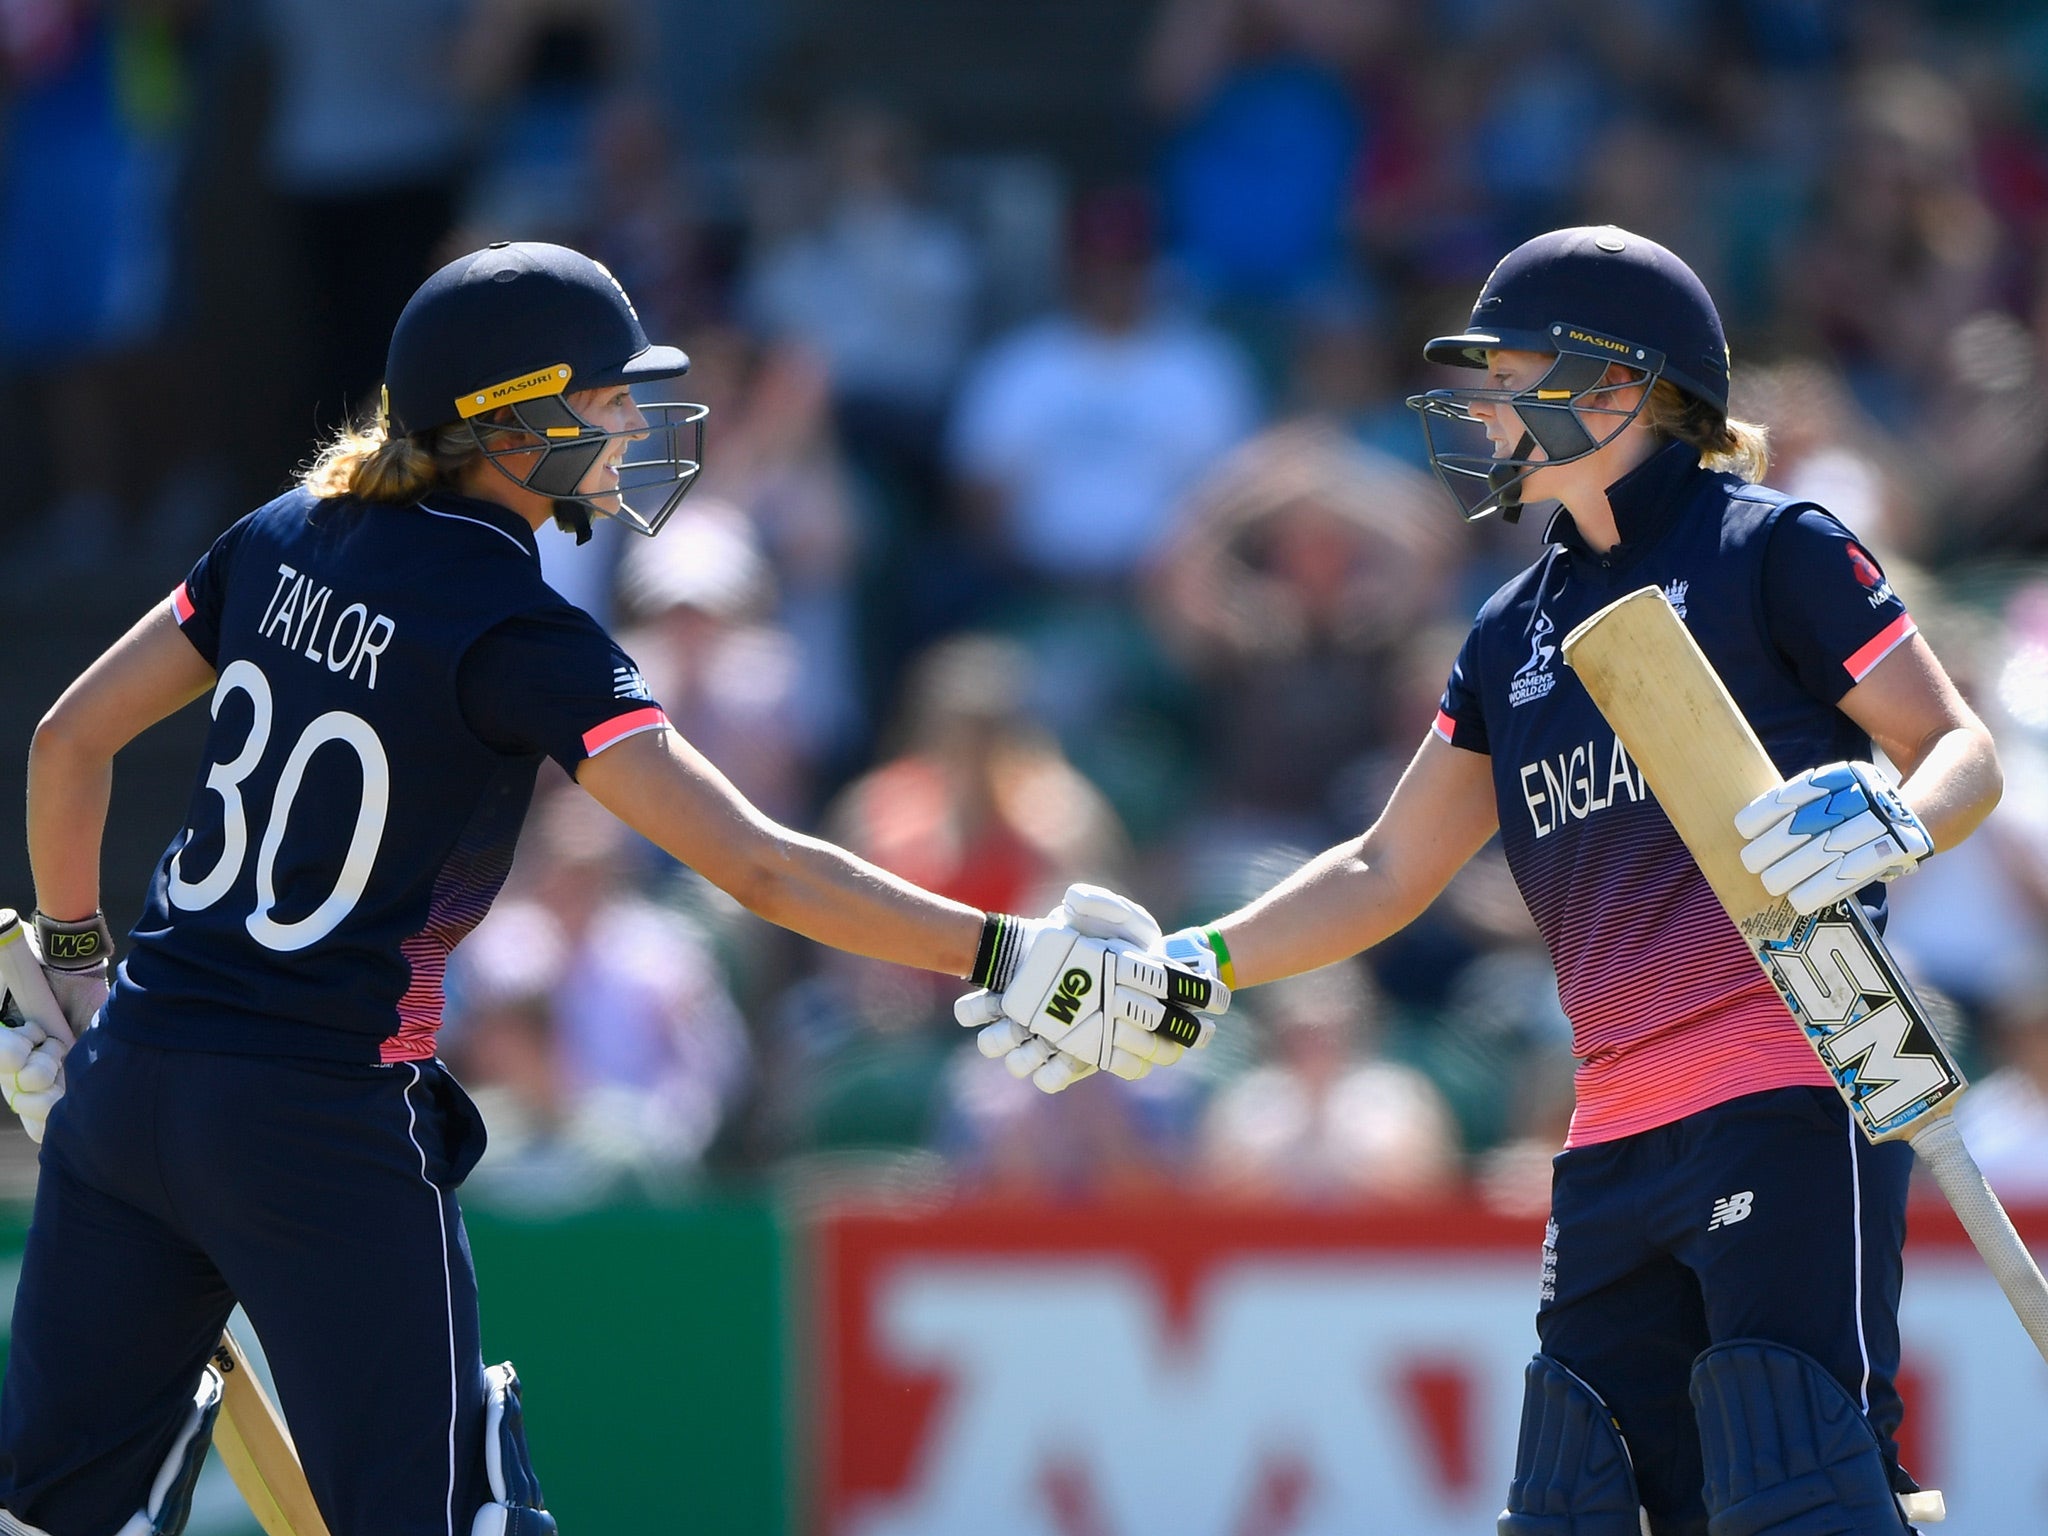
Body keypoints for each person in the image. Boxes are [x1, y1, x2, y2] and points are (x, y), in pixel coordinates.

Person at [0, 241, 1219, 1536]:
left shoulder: (281, 529)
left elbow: (67, 740)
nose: (636, 421)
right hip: (319, 1120)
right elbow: (755, 860)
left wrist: (77, 965)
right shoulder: (517, 630)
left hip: (128, 1080)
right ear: (505, 421)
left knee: (47, 1518)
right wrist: (1003, 952)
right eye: (604, 396)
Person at [972, 227, 2002, 1534]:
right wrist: (1196, 961)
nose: (1483, 408)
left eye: (1512, 374)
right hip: (1612, 1137)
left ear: (1619, 387)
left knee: (1798, 1488)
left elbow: (1958, 746)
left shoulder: (1774, 548)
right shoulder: (1509, 628)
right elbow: (1384, 863)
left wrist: (1895, 819)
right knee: (1580, 1507)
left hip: (1793, 1093)